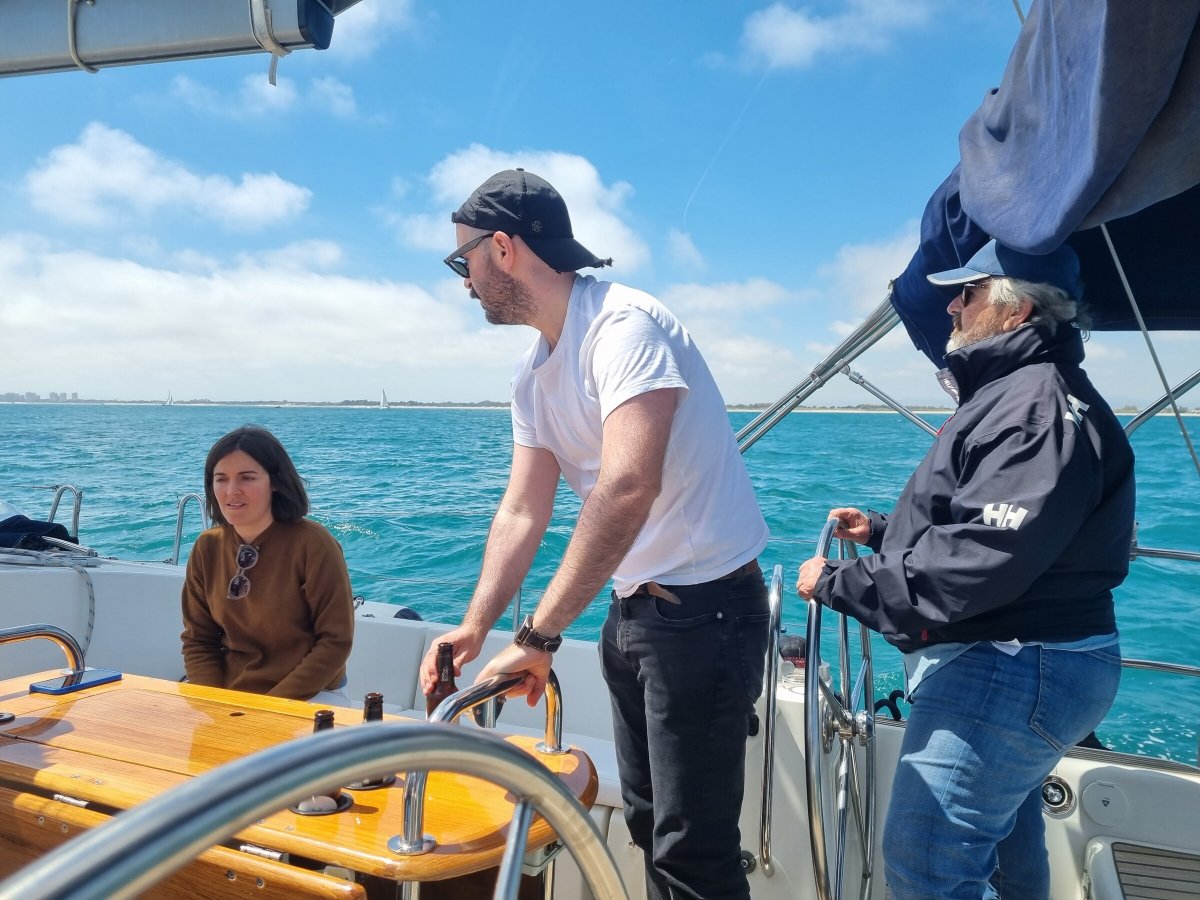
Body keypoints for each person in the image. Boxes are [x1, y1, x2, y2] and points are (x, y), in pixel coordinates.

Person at [421, 168, 770, 899]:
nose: (464, 282)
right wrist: (475, 628)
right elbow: (522, 510)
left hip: (706, 616)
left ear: (506, 249)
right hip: (633, 614)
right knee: (649, 826)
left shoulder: (625, 326)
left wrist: (541, 636)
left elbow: (626, 486)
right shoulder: (533, 375)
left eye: (464, 261)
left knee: (692, 852)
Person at [797, 239, 1134, 900]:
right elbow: (1004, 534)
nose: (953, 306)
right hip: (1032, 655)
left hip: (1013, 664)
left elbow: (983, 561)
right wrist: (887, 534)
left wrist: (838, 583)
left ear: (1016, 311)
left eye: (970, 292)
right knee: (1006, 844)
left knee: (925, 859)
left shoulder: (1035, 406)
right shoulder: (1027, 394)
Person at [181, 426, 355, 706]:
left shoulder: (313, 543)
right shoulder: (206, 547)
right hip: (228, 695)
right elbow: (198, 640)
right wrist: (214, 702)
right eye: (221, 479)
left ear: (275, 481)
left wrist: (268, 710)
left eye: (247, 478)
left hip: (310, 695)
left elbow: (335, 642)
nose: (231, 490)